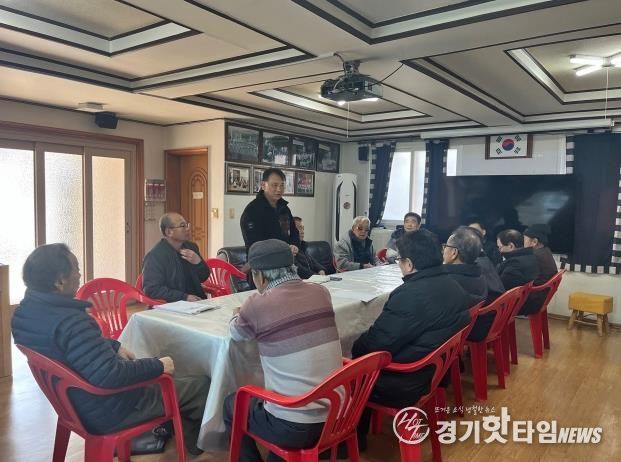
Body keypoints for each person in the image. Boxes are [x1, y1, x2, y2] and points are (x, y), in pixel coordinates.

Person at [11, 244, 209, 455]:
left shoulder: (24, 314)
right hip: (109, 409)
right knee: (200, 384)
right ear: (59, 282)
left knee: (154, 367)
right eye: (76, 269)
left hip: (69, 403)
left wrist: (114, 345)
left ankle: (167, 430)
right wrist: (158, 366)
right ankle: (195, 447)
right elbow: (110, 375)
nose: (79, 275)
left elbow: (73, 348)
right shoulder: (72, 322)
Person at [351, 229, 476, 447]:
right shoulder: (453, 284)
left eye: (399, 260)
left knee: (350, 369)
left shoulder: (410, 294)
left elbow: (373, 346)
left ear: (408, 264)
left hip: (406, 380)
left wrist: (353, 349)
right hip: (434, 371)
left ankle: (351, 441)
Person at [223, 239, 343, 462]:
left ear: (260, 276)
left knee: (232, 404)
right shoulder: (320, 292)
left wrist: (236, 313)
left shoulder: (256, 304)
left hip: (295, 426)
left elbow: (237, 334)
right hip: (338, 415)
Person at [443, 226, 503, 341]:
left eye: (446, 246)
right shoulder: (478, 273)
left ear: (454, 252)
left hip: (461, 333)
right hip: (476, 325)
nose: (443, 250)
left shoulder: (448, 281)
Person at [142, 212, 210, 302]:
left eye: (187, 225)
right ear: (169, 232)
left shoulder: (191, 247)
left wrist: (198, 262)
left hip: (198, 301)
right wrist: (184, 297)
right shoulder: (155, 256)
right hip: (172, 305)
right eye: (183, 226)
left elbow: (204, 276)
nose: (187, 229)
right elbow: (152, 289)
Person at [240, 168, 300, 254]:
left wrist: (294, 245)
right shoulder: (252, 211)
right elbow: (255, 245)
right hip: (262, 259)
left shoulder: (284, 208)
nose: (279, 189)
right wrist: (283, 248)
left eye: (282, 185)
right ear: (263, 185)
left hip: (286, 257)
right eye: (274, 185)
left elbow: (294, 232)